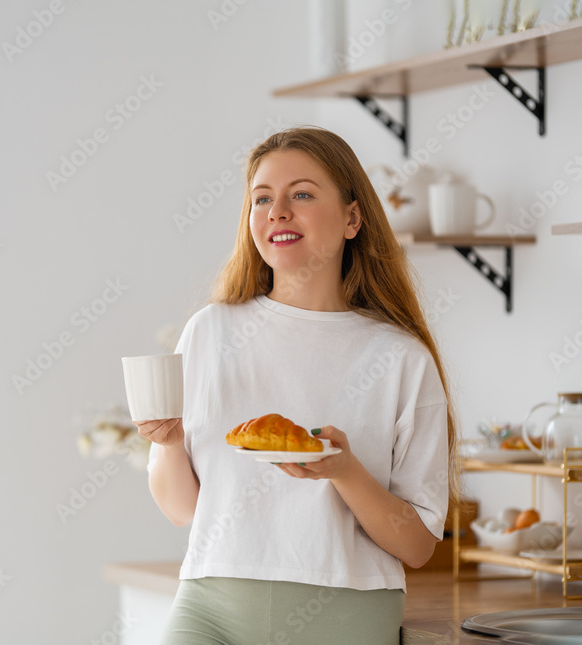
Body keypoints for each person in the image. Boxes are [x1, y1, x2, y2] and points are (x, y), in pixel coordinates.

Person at [135, 126, 459, 644]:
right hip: (211, 604)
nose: (277, 212)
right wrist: (170, 444)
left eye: (301, 194)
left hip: (342, 614)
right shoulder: (210, 331)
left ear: (353, 218)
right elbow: (183, 511)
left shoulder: (399, 358)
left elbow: (419, 547)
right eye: (261, 198)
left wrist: (345, 471)